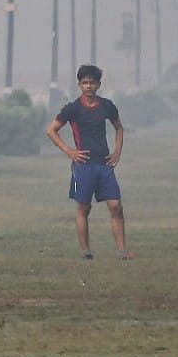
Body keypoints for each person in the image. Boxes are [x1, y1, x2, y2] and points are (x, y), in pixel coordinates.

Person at [45, 64, 131, 260]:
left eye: (92, 82)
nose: (89, 86)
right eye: (85, 83)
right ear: (79, 85)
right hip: (82, 166)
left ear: (99, 84)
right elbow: (51, 130)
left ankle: (122, 250)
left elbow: (119, 127)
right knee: (84, 207)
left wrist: (117, 152)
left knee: (116, 206)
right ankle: (85, 251)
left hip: (104, 164)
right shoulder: (72, 109)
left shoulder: (107, 106)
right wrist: (69, 151)